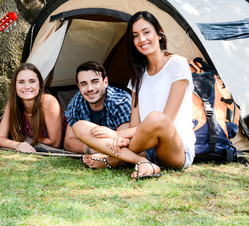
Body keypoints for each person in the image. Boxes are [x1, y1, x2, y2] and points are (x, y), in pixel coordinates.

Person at [72, 11, 195, 179]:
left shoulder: (177, 64)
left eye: (146, 32)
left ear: (159, 33)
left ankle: (115, 159)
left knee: (156, 118)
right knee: (79, 126)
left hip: (175, 148)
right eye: (135, 36)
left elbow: (167, 121)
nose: (142, 40)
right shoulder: (138, 75)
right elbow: (135, 125)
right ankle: (142, 162)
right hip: (143, 146)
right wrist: (124, 138)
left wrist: (116, 135)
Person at [64, 61, 131, 168]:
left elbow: (123, 143)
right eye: (84, 84)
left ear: (105, 82)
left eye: (95, 82)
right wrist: (92, 149)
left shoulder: (121, 101)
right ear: (79, 87)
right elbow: (68, 142)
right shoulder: (77, 100)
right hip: (104, 150)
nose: (89, 88)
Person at [0, 63, 65, 153]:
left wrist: (28, 140)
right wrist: (17, 145)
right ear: (15, 85)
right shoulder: (13, 103)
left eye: (32, 81)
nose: (27, 87)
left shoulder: (48, 101)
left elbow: (55, 143)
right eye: (21, 82)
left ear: (39, 84)